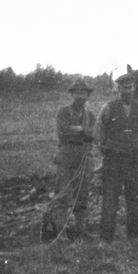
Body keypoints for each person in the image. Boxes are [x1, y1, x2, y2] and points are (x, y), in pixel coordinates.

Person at [94, 73, 138, 243]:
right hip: (113, 160)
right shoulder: (108, 108)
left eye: (130, 88)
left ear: (134, 88)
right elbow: (98, 131)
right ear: (118, 89)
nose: (127, 91)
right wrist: (106, 150)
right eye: (124, 88)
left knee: (134, 197)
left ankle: (135, 235)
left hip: (134, 160)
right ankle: (106, 239)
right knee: (110, 199)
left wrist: (137, 147)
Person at [47, 79, 96, 239]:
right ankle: (60, 232)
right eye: (78, 93)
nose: (81, 96)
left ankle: (80, 230)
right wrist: (84, 132)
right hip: (66, 157)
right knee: (63, 194)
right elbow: (63, 133)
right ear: (72, 94)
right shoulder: (63, 112)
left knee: (82, 195)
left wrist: (79, 130)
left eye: (84, 93)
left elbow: (94, 135)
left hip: (84, 157)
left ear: (88, 96)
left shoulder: (90, 116)